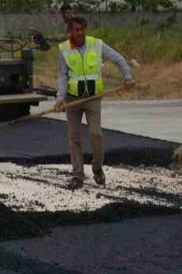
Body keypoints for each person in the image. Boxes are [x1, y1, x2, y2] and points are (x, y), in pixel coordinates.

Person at [56, 17, 134, 190]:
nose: (80, 33)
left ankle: (97, 168)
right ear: (70, 32)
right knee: (74, 138)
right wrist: (60, 98)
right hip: (72, 99)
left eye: (82, 29)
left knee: (96, 134)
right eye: (76, 30)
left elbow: (118, 59)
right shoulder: (63, 49)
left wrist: (127, 76)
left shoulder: (96, 44)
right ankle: (77, 175)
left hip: (93, 98)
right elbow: (62, 75)